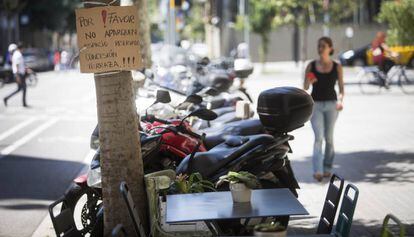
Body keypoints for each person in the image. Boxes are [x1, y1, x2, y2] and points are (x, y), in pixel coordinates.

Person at [304, 37, 344, 182]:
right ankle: (318, 171)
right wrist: (308, 78)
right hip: (316, 106)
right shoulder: (311, 66)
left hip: (332, 105)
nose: (320, 49)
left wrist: (340, 101)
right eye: (319, 46)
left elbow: (341, 89)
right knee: (318, 138)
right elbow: (306, 88)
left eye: (323, 46)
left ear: (330, 48)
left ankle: (327, 167)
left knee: (329, 138)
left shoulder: (337, 66)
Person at [4, 43, 28, 107]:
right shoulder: (18, 54)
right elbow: (17, 65)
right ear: (21, 48)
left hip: (19, 74)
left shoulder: (16, 54)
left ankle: (7, 98)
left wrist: (26, 69)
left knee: (21, 89)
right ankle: (24, 103)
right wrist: (17, 76)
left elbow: (19, 64)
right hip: (19, 74)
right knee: (22, 88)